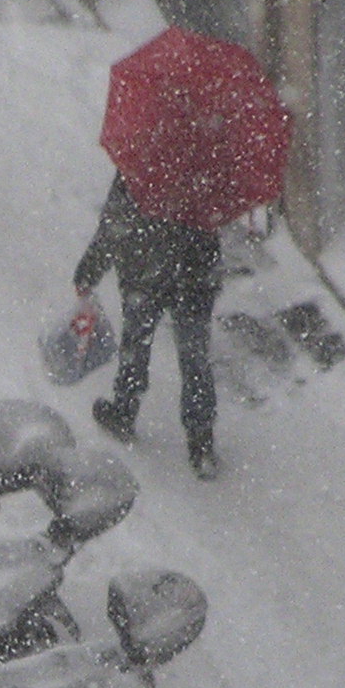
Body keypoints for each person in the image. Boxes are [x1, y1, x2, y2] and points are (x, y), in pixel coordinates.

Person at [73, 172, 222, 478]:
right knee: (194, 356)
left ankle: (124, 410)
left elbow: (114, 226)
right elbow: (218, 218)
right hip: (194, 276)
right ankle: (201, 440)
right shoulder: (208, 165)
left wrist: (90, 270)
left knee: (136, 342)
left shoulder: (141, 161)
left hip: (145, 269)